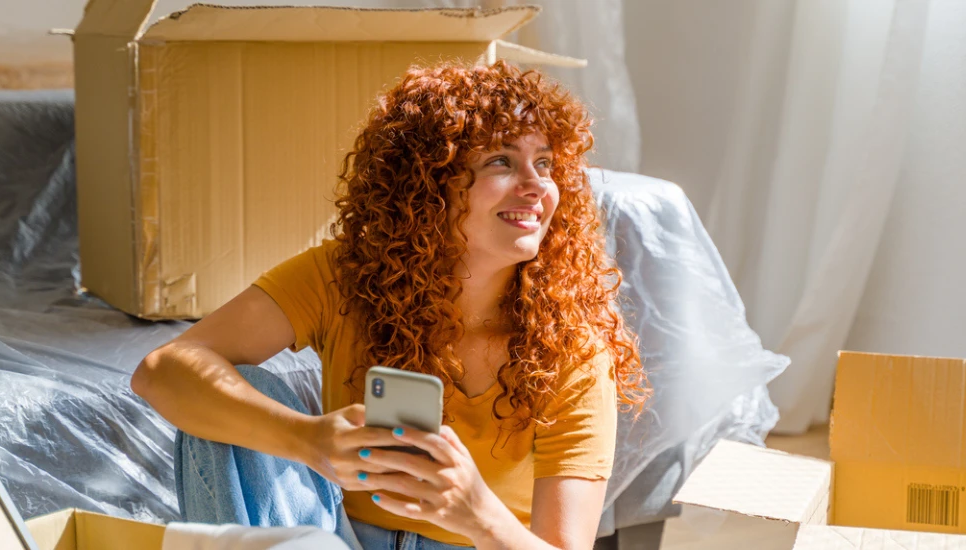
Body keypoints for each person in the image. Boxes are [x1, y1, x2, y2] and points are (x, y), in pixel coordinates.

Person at [131, 61, 647, 550]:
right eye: (501, 161)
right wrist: (309, 440)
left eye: (545, 164)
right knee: (234, 397)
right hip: (336, 536)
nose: (536, 186)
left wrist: (477, 514)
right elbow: (164, 369)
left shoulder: (572, 350)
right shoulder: (344, 276)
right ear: (428, 182)